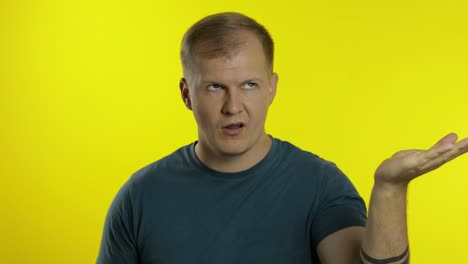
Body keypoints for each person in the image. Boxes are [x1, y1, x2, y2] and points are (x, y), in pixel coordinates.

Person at [97, 12, 468, 264]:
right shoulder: (140, 195)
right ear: (186, 94)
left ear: (271, 88)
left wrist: (390, 189)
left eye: (249, 85)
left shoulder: (319, 184)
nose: (234, 106)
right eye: (214, 87)